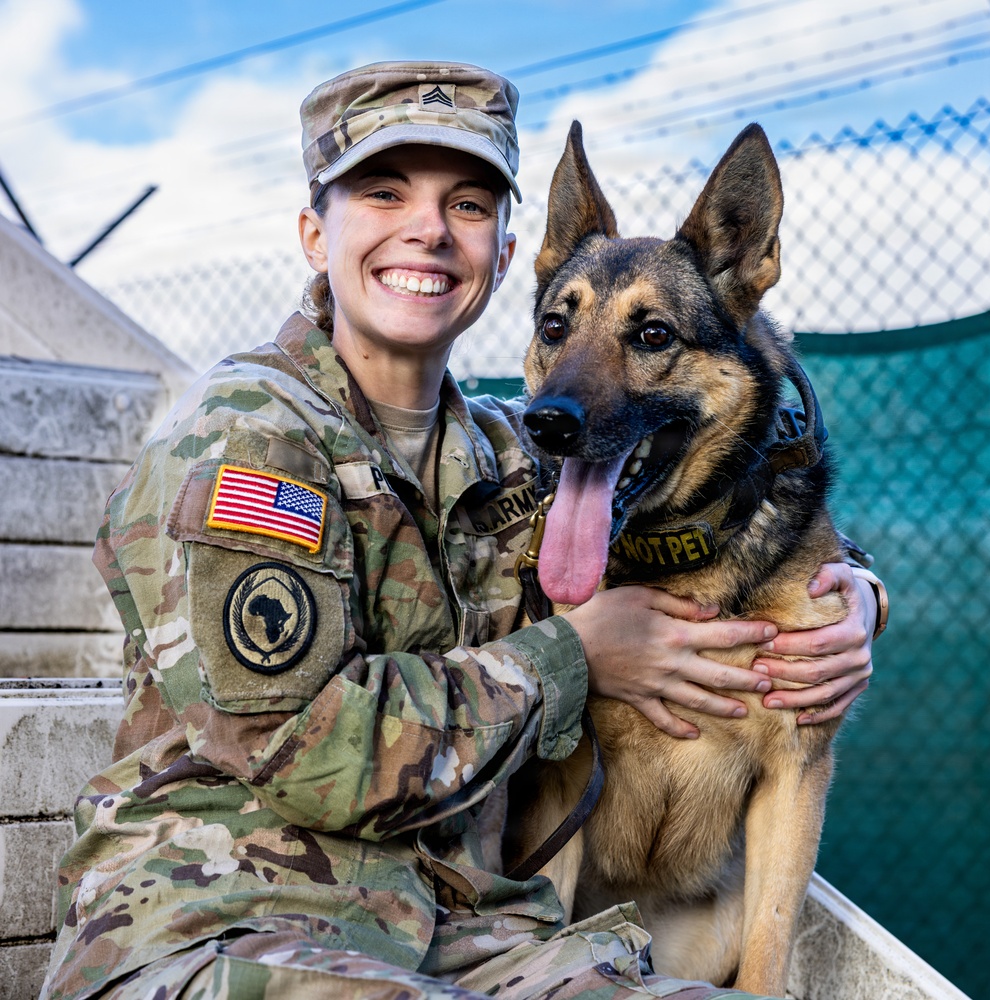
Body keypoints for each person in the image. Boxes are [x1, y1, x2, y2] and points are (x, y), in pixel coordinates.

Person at [41, 61, 881, 1000]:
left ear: (507, 250)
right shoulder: (247, 439)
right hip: (220, 928)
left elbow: (734, 494)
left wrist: (851, 600)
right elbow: (307, 750)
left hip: (455, 937)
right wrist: (575, 656)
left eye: (469, 203)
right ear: (316, 233)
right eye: (385, 190)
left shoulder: (507, 454)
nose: (430, 229)